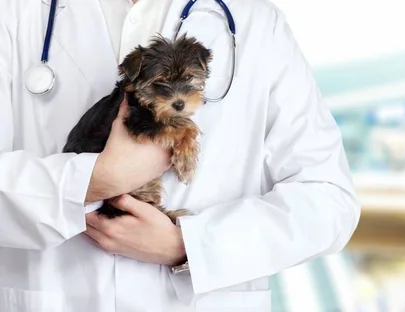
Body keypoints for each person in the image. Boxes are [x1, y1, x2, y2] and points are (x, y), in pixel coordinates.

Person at [0, 0, 360, 311]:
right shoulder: (17, 13)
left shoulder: (255, 23)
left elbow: (328, 200)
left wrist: (191, 246)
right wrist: (94, 181)